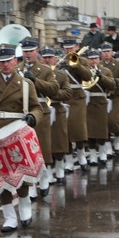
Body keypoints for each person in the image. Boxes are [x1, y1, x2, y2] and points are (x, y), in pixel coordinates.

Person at [0, 44, 43, 233]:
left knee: (21, 175)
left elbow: (38, 107)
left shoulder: (26, 84)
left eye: (8, 61)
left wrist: (33, 117)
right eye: (1, 62)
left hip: (17, 134)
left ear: (15, 61)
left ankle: (25, 203)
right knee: (0, 177)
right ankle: (9, 216)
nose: (5, 65)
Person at [18, 37, 60, 198]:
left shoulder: (45, 70)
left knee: (41, 147)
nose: (28, 54)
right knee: (26, 150)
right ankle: (31, 183)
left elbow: (54, 89)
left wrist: (36, 81)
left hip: (41, 110)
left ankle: (43, 176)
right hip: (22, 111)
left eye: (30, 51)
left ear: (37, 51)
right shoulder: (17, 69)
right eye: (25, 51)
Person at [57, 38, 93, 172]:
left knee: (78, 128)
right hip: (64, 96)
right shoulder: (60, 61)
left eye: (70, 48)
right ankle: (68, 159)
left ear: (76, 47)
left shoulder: (82, 60)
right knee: (64, 129)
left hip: (77, 96)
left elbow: (88, 77)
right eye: (66, 48)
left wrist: (76, 65)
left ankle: (81, 152)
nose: (68, 51)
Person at [40, 46, 72, 185]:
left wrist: (52, 94)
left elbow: (67, 93)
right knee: (44, 144)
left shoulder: (61, 75)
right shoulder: (38, 73)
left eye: (50, 57)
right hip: (41, 111)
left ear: (54, 59)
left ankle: (59, 170)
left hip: (57, 109)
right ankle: (46, 173)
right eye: (45, 57)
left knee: (59, 142)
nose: (47, 60)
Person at [84, 49, 116, 167]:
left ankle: (102, 153)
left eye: (95, 58)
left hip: (101, 102)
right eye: (91, 59)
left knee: (102, 130)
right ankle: (93, 154)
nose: (93, 61)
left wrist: (101, 77)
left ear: (99, 59)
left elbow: (112, 85)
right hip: (88, 102)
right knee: (90, 131)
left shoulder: (105, 71)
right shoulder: (85, 71)